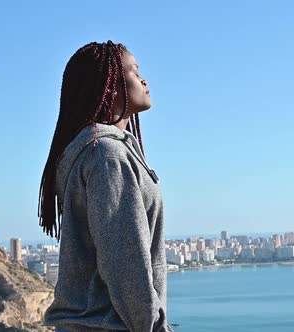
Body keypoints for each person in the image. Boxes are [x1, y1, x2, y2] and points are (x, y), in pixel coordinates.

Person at [38, 40, 174, 332]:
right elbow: (126, 266)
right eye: (134, 71)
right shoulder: (106, 155)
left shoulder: (95, 149)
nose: (144, 79)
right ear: (110, 84)